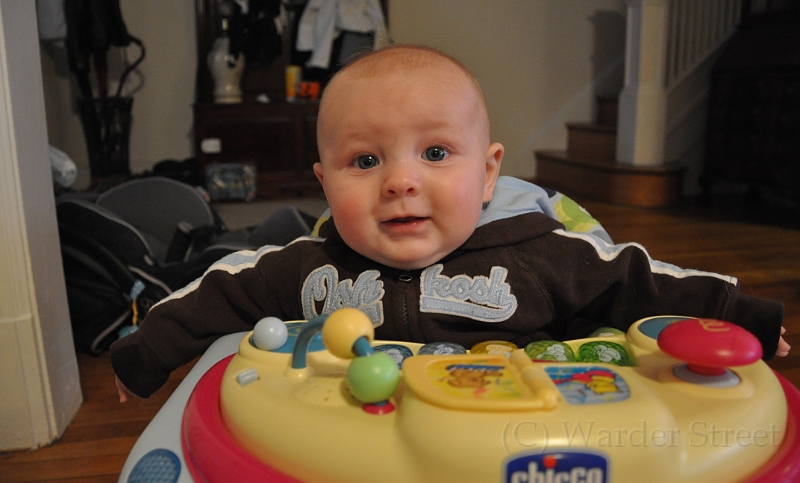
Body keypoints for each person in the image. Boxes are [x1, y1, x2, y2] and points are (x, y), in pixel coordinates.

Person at [112, 45, 790, 401]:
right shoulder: (309, 266)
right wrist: (145, 353)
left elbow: (640, 279)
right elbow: (221, 288)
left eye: (435, 153)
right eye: (365, 160)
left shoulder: (539, 254)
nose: (400, 180)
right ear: (324, 184)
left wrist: (736, 313)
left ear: (488, 174)